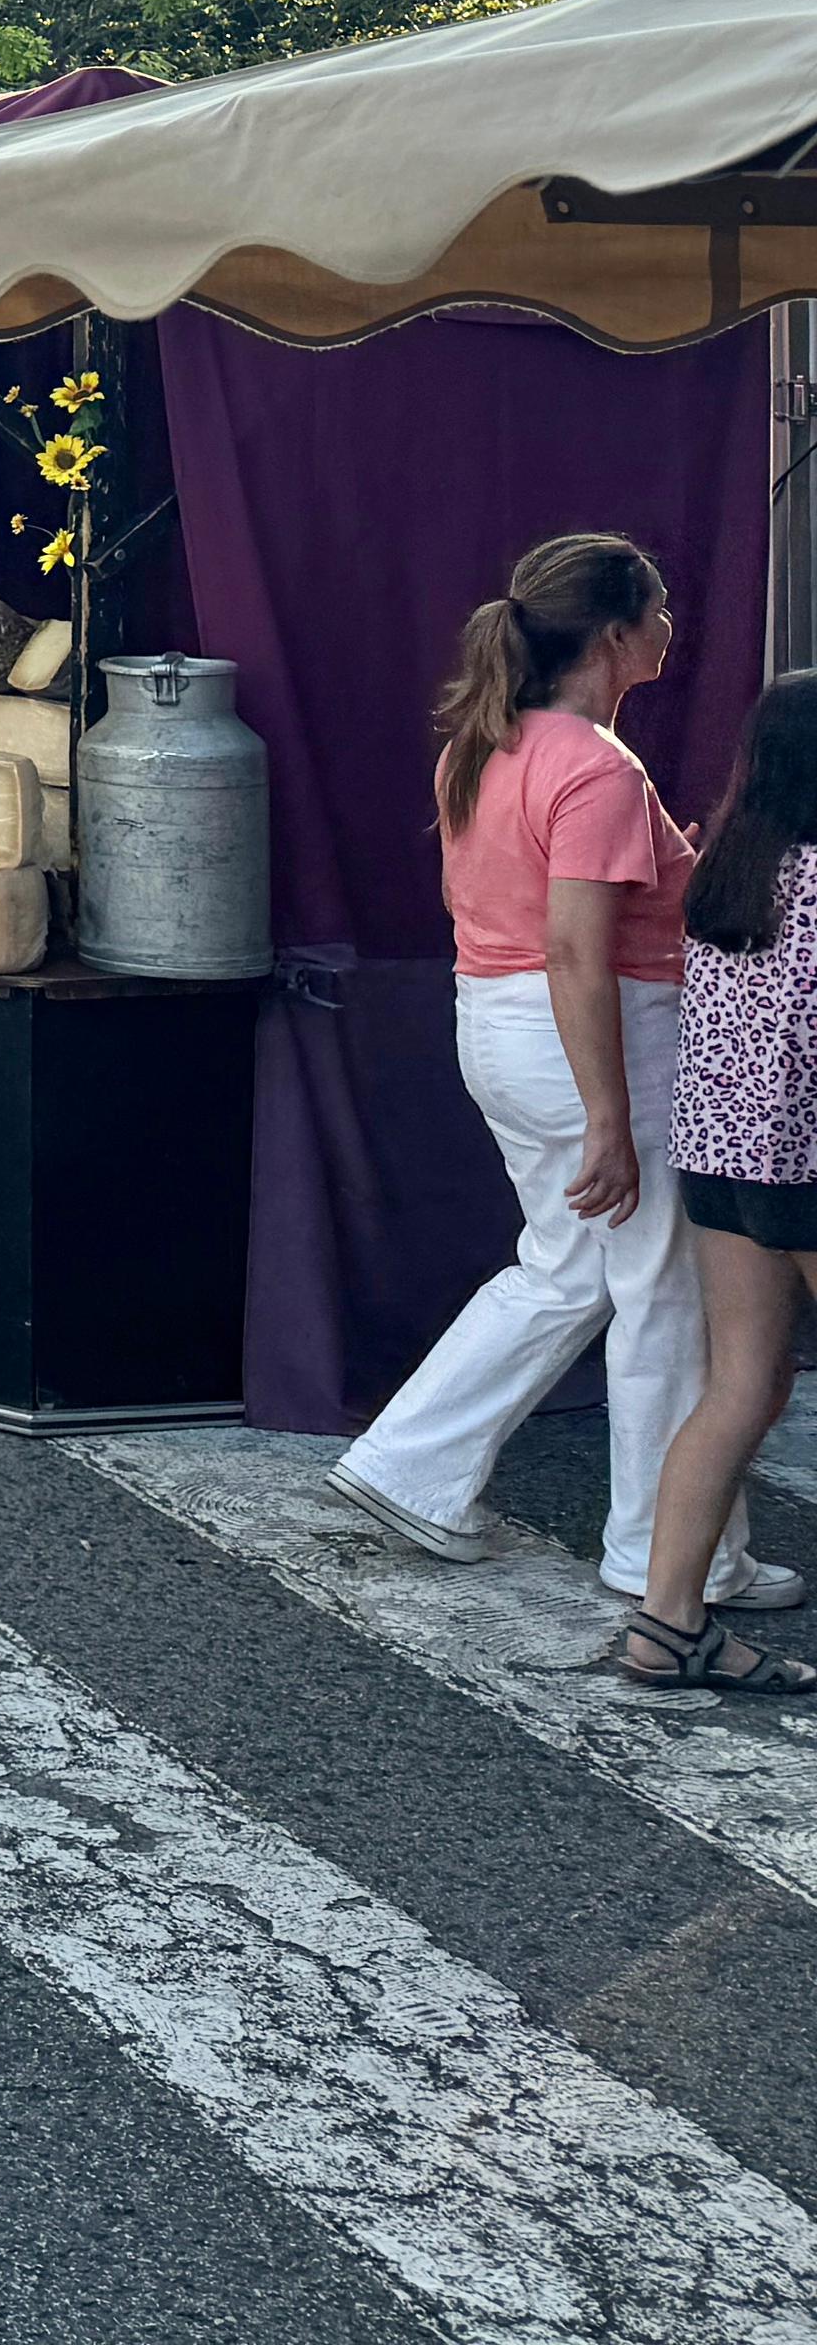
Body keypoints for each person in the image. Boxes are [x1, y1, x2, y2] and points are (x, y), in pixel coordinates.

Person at [333, 535, 795, 1618]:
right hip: (595, 1034)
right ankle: (665, 1558)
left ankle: (409, 1461)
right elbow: (577, 949)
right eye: (660, 611)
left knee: (567, 1268)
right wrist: (607, 1117)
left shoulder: (477, 746)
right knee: (660, 1291)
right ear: (614, 636)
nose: (672, 627)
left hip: (492, 1022)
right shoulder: (593, 765)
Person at [624, 676, 817, 1692]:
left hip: (719, 1161)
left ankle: (665, 1622)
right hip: (806, 1160)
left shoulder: (727, 875)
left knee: (740, 1383)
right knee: (749, 1381)